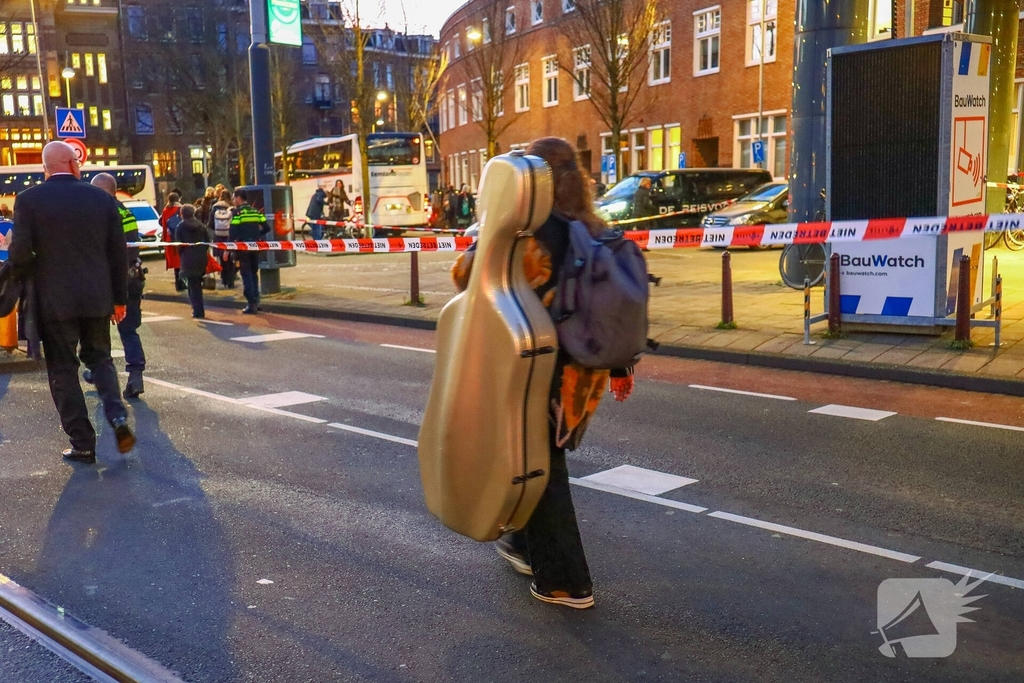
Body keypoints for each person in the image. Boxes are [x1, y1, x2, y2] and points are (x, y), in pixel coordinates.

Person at [450, 137, 635, 609]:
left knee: (541, 469)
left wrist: (487, 231)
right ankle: (524, 545)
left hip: (534, 370)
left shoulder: (528, 236)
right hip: (582, 376)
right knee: (533, 459)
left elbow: (465, 277)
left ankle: (566, 583)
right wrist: (621, 367)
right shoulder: (593, 228)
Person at [7, 141, 136, 463]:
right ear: (74, 164)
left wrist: (24, 274)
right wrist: (119, 299)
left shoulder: (29, 200)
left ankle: (82, 442)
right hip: (97, 297)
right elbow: (118, 253)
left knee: (63, 369)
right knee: (100, 358)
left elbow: (20, 254)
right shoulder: (101, 199)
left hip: (54, 301)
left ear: (45, 169)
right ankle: (118, 416)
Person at [89, 173, 147, 399]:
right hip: (132, 277)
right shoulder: (126, 212)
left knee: (98, 330)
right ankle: (135, 375)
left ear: (99, 190)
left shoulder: (99, 212)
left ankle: (98, 371)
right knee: (129, 330)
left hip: (106, 280)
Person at [229, 189, 270, 314]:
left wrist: (228, 248)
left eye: (234, 198)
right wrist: (257, 234)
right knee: (253, 273)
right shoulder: (255, 211)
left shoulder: (237, 213)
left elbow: (233, 232)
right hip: (255, 246)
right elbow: (267, 227)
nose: (233, 200)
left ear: (238, 198)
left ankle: (251, 304)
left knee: (246, 275)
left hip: (243, 248)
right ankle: (256, 301)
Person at [175, 204, 210, 319]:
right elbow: (207, 242)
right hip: (201, 258)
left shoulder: (180, 227)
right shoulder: (201, 225)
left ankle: (197, 310)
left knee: (192, 285)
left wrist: (183, 254)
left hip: (188, 259)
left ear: (182, 214)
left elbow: (179, 245)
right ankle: (198, 309)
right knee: (197, 284)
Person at [207, 189, 236, 288]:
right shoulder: (231, 208)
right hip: (229, 236)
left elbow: (210, 223)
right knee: (230, 258)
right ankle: (231, 281)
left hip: (218, 236)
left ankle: (224, 279)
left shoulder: (215, 207)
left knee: (222, 258)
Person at [160, 192, 184, 291]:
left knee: (176, 264)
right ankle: (182, 283)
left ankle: (178, 284)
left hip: (170, 239)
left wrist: (164, 240)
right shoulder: (181, 209)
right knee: (182, 262)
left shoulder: (165, 210)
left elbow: (164, 226)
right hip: (180, 238)